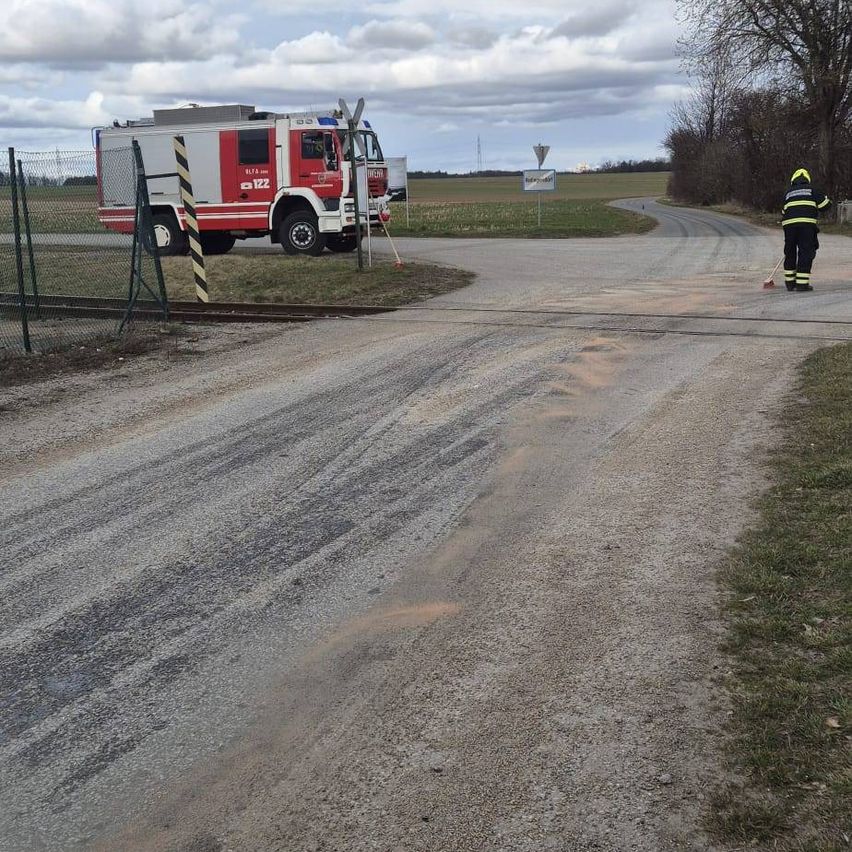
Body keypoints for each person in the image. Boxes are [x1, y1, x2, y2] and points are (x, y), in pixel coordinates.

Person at [782, 168, 831, 292]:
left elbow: (783, 211)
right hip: (806, 226)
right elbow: (825, 206)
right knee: (805, 252)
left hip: (789, 226)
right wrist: (826, 198)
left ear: (793, 180)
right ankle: (802, 284)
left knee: (790, 252)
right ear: (807, 179)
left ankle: (790, 283)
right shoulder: (812, 190)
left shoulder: (788, 192)